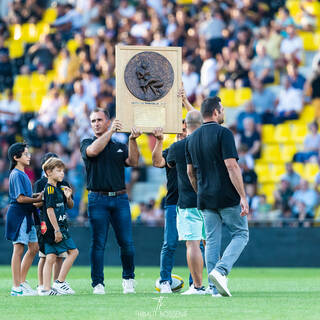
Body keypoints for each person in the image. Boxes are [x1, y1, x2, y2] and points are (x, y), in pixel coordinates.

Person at [186, 96, 249, 297]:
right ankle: (221, 271)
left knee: (212, 241)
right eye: (221, 109)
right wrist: (243, 196)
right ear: (215, 112)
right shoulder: (224, 133)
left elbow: (190, 173)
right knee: (241, 234)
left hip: (205, 197)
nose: (223, 112)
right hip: (226, 196)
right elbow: (231, 165)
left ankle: (214, 289)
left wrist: (199, 193)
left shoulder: (192, 138)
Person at [80, 108, 141, 295]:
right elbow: (92, 151)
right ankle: (98, 283)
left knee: (127, 243)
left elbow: (133, 161)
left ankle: (128, 279)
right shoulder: (86, 142)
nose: (96, 123)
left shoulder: (118, 145)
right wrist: (111, 131)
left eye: (99, 120)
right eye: (93, 121)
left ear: (107, 121)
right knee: (98, 243)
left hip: (120, 198)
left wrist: (132, 139)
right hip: (97, 198)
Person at [151, 89, 193, 294]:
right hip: (174, 202)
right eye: (179, 132)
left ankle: (196, 282)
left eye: (185, 131)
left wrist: (185, 100)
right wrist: (159, 141)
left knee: (195, 243)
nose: (182, 134)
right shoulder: (172, 150)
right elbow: (157, 161)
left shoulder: (195, 147)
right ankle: (165, 280)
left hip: (193, 202)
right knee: (170, 243)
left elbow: (201, 124)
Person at [166, 110, 210, 296]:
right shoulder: (211, 145)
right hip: (211, 200)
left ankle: (198, 286)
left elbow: (167, 163)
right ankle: (217, 283)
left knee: (192, 244)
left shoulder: (177, 147)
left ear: (186, 126)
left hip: (188, 202)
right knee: (211, 243)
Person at [5, 142, 43, 296]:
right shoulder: (16, 174)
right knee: (18, 249)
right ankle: (16, 287)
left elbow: (26, 196)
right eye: (26, 154)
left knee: (34, 248)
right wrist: (37, 200)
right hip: (19, 215)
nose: (29, 156)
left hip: (27, 215)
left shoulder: (23, 174)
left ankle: (22, 282)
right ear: (16, 157)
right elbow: (20, 199)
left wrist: (38, 196)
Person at [33, 152, 73, 294]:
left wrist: (67, 198)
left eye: (61, 168)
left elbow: (69, 205)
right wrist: (42, 199)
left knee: (58, 256)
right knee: (44, 256)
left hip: (60, 223)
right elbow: (38, 204)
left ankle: (56, 284)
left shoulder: (63, 183)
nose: (61, 172)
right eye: (57, 168)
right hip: (44, 223)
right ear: (47, 169)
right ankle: (42, 285)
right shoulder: (42, 184)